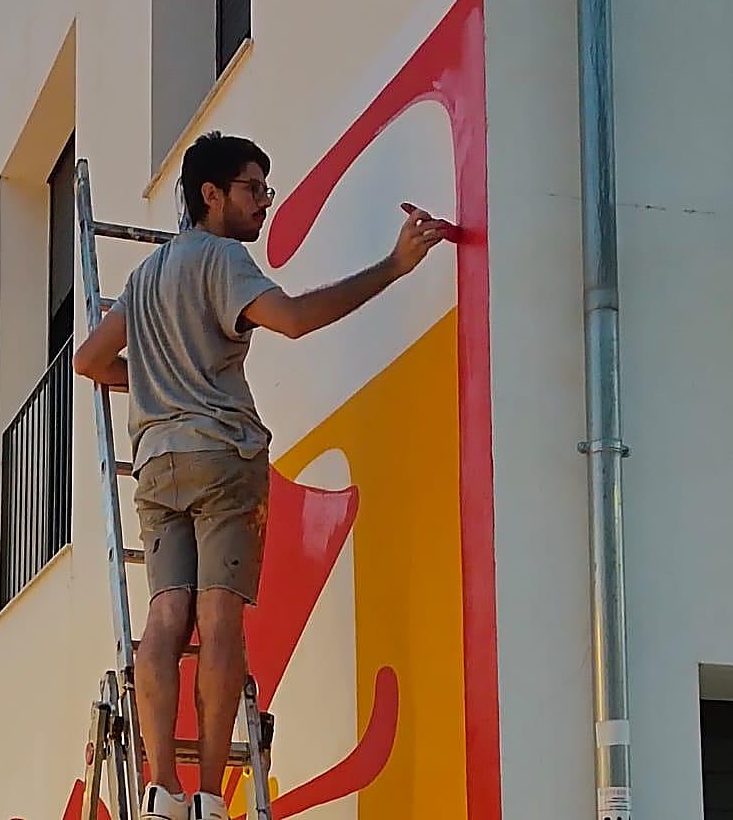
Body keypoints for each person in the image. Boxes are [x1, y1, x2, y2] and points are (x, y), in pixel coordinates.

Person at [73, 131, 452, 820]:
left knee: (163, 617)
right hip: (223, 457)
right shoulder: (224, 260)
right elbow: (298, 320)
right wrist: (394, 267)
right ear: (210, 195)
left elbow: (90, 361)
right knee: (219, 621)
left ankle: (160, 789)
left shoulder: (145, 278)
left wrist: (156, 385)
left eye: (266, 190)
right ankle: (211, 798)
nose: (263, 204)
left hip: (158, 463)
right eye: (253, 189)